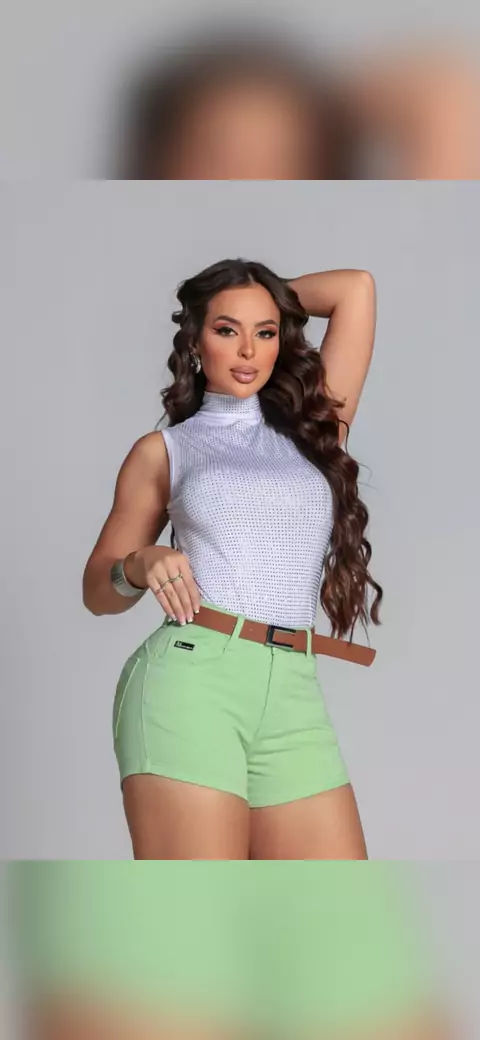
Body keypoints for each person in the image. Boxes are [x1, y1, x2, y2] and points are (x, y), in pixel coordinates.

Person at [82, 258, 382, 860]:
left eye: (265, 332)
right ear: (195, 340)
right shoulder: (165, 450)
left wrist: (252, 293)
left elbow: (356, 289)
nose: (248, 350)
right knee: (201, 911)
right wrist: (140, 563)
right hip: (192, 682)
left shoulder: (316, 429)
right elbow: (97, 592)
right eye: (226, 329)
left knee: (339, 912)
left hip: (293, 688)